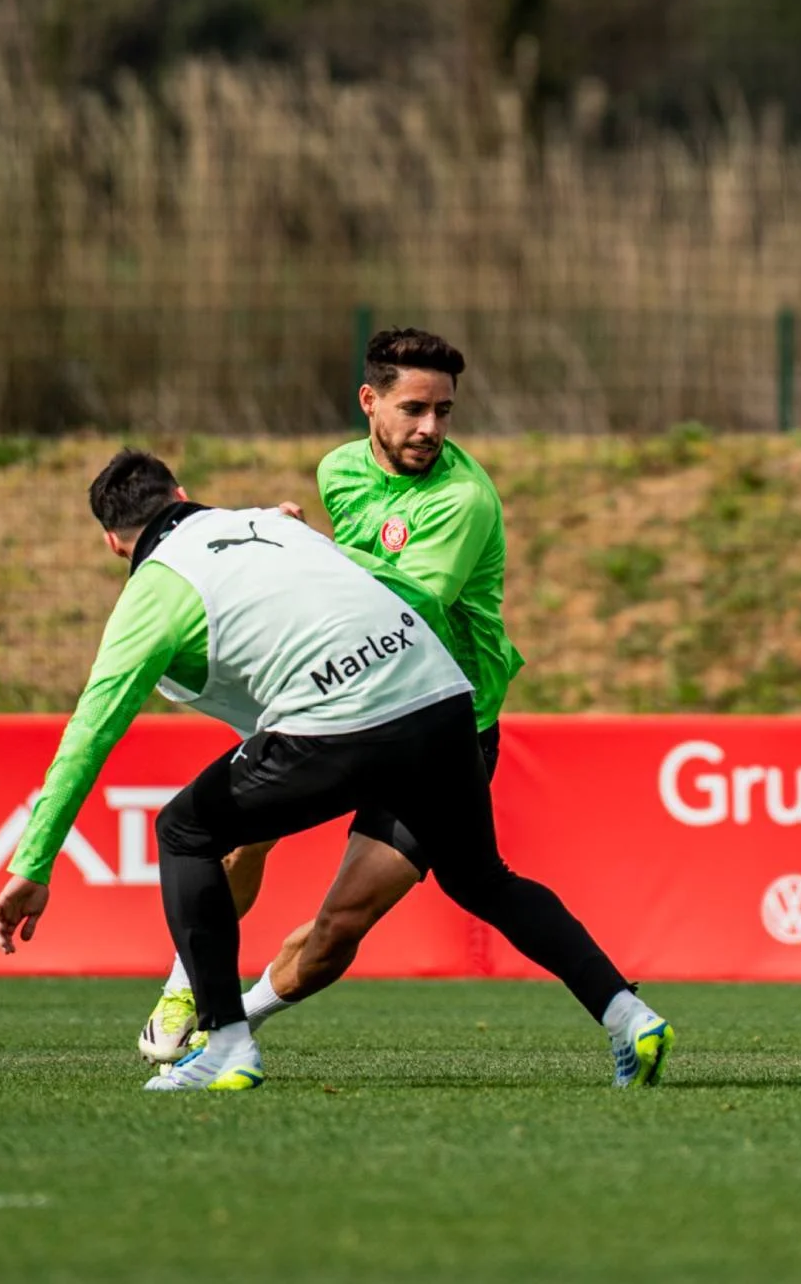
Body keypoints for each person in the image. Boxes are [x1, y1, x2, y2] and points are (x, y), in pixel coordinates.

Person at [0, 450, 673, 1090]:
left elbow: (90, 732)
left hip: (345, 723)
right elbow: (388, 588)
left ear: (114, 543)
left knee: (183, 830)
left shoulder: (152, 594)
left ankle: (224, 1043)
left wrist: (34, 863)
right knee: (483, 879)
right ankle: (626, 1016)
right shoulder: (268, 522)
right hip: (442, 700)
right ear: (184, 497)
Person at [137, 327, 529, 1063]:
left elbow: (421, 597)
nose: (432, 428)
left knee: (342, 924)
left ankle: (234, 1026)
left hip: (444, 720)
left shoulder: (465, 498)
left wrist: (296, 543)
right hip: (343, 694)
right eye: (416, 409)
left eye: (445, 411)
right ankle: (190, 981)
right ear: (369, 401)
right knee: (238, 835)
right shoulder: (339, 472)